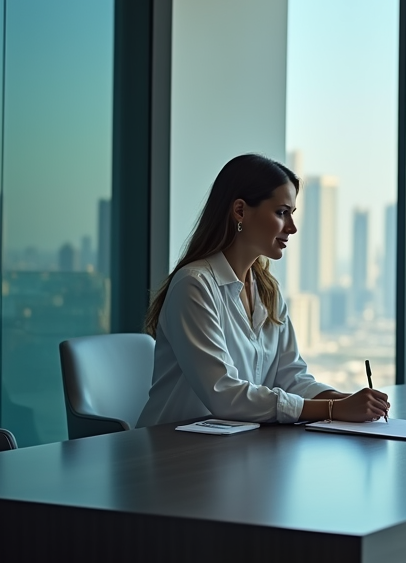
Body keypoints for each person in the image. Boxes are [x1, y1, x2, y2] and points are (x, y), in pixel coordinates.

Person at [138, 154, 389, 428]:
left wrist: (346, 401)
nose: (292, 228)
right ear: (240, 211)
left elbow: (292, 376)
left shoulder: (267, 290)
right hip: (173, 451)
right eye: (282, 212)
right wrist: (333, 409)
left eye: (292, 214)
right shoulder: (194, 286)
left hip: (235, 448)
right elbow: (225, 394)